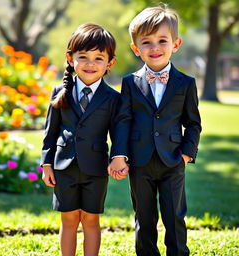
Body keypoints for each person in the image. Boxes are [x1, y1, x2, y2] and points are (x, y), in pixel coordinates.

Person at [108, 5, 202, 256]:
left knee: (175, 216)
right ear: (136, 49)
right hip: (140, 162)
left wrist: (186, 154)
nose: (155, 48)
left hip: (173, 160)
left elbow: (193, 123)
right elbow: (123, 121)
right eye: (146, 42)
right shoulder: (129, 83)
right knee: (144, 217)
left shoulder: (186, 83)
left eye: (162, 40)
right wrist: (119, 155)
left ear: (176, 44)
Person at [41, 23, 124, 256]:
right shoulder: (59, 92)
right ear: (70, 58)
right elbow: (50, 132)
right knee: (68, 218)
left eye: (99, 58)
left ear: (110, 63)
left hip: (96, 168)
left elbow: (118, 133)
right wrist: (46, 163)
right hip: (63, 166)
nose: (90, 64)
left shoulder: (113, 98)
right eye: (83, 57)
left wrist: (118, 158)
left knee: (90, 218)